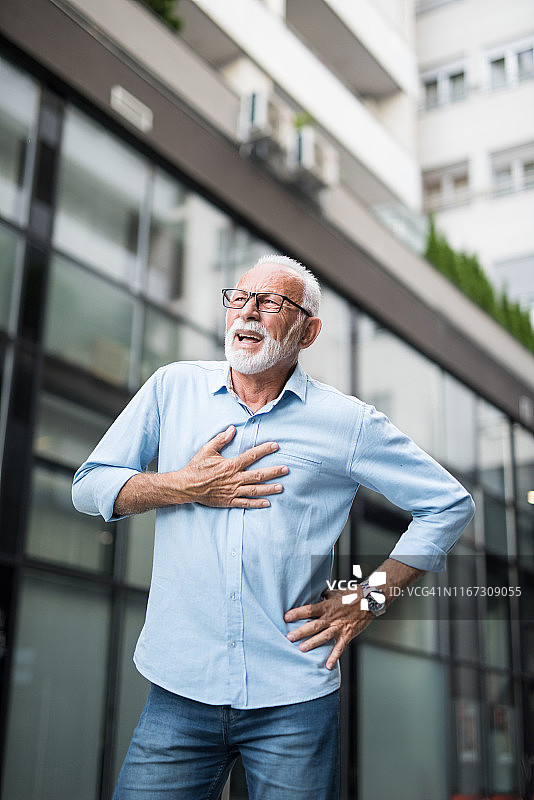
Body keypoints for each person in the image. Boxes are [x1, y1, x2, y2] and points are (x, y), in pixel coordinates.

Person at [72, 254, 475, 799]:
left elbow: (448, 504)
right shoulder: (172, 389)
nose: (247, 313)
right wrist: (183, 485)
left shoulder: (348, 423)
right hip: (178, 688)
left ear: (308, 332)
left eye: (270, 303)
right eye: (238, 298)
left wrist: (369, 598)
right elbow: (89, 484)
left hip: (293, 698)